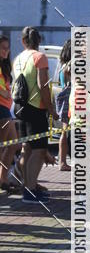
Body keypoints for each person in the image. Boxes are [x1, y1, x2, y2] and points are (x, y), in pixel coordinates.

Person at [12, 26, 54, 204]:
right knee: (39, 150)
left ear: (23, 41)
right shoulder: (40, 57)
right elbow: (42, 85)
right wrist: (51, 109)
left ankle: (28, 187)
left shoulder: (18, 59)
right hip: (35, 108)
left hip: (19, 107)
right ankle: (30, 191)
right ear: (40, 40)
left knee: (26, 149)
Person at [0, 34, 19, 194]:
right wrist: (4, 92)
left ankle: (3, 178)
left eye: (8, 48)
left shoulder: (4, 65)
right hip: (1, 109)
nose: (6, 51)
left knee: (14, 144)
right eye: (3, 48)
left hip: (7, 108)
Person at [56, 38, 71, 171]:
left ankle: (62, 161)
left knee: (64, 131)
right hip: (70, 99)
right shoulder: (69, 67)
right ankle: (63, 162)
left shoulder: (61, 66)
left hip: (63, 98)